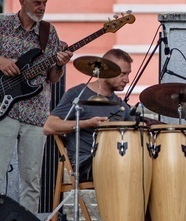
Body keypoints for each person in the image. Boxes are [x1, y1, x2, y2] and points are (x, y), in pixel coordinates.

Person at [0, 0, 73, 214]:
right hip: (2, 111)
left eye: (44, 3)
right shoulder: (1, 26)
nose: (42, 7)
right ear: (21, 1)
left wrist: (60, 64)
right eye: (37, 2)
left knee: (31, 182)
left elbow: (53, 78)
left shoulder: (49, 32)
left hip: (36, 114)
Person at [43, 49, 133, 180]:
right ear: (107, 70)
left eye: (128, 74)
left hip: (114, 160)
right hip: (85, 163)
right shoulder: (77, 94)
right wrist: (87, 123)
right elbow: (48, 126)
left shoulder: (120, 105)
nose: (127, 80)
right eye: (123, 74)